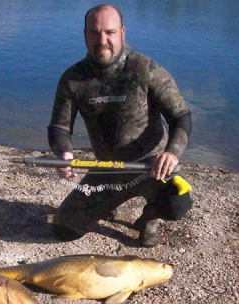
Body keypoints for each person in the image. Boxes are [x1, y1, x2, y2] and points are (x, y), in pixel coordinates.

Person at [48, 3, 193, 247]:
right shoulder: (73, 79)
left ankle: (150, 216)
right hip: (107, 169)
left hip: (151, 168)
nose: (102, 40)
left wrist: (172, 153)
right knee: (64, 230)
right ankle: (108, 202)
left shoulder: (145, 69)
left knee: (177, 202)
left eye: (110, 32)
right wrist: (63, 152)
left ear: (122, 33)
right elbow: (59, 128)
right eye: (94, 32)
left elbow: (181, 117)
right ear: (85, 35)